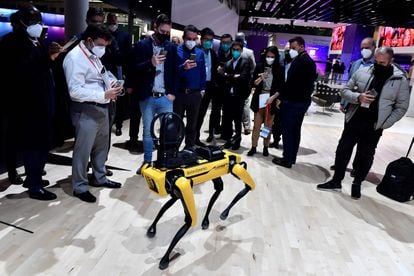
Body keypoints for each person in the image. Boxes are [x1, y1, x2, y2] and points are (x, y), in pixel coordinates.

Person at [317, 47, 410, 199]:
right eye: (376, 61)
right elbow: (344, 91)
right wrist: (358, 97)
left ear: (391, 61)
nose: (379, 65)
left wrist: (384, 124)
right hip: (354, 119)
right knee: (343, 150)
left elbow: (401, 107)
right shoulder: (362, 72)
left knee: (365, 156)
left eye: (383, 62)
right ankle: (336, 181)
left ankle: (357, 184)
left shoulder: (400, 80)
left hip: (374, 125)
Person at [0, 5, 64, 200]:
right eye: (33, 21)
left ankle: (33, 177)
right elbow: (20, 74)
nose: (38, 25)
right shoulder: (11, 43)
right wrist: (47, 60)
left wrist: (50, 58)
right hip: (26, 104)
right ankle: (34, 185)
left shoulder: (35, 41)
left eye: (38, 20)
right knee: (34, 144)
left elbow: (41, 68)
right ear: (21, 23)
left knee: (41, 142)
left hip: (41, 101)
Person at [63, 25, 123, 203]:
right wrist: (103, 95)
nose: (103, 48)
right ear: (89, 41)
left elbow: (102, 75)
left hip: (102, 106)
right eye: (100, 44)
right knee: (83, 151)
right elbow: (74, 91)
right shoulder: (75, 58)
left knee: (101, 147)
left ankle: (99, 177)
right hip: (86, 109)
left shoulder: (93, 55)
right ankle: (79, 186)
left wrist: (112, 83)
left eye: (105, 45)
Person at [127, 14, 178, 174]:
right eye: (162, 31)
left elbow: (175, 71)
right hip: (148, 96)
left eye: (167, 32)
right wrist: (150, 63)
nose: (164, 34)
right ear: (155, 27)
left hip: (165, 97)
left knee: (168, 131)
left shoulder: (171, 47)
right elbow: (134, 69)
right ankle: (147, 162)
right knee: (147, 131)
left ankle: (165, 160)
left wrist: (173, 93)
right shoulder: (142, 45)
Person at [332, 38, 377, 175]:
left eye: (367, 47)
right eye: (362, 47)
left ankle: (357, 168)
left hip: (369, 111)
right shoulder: (356, 64)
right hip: (352, 107)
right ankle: (340, 165)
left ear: (374, 48)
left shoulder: (378, 65)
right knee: (346, 140)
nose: (364, 50)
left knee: (363, 143)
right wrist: (343, 103)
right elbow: (349, 86)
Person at [272, 36, 317, 168]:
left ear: (301, 46)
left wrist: (282, 98)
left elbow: (292, 84)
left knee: (288, 131)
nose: (291, 50)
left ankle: (287, 158)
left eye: (293, 48)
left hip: (293, 102)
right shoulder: (307, 61)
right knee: (295, 131)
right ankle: (291, 157)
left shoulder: (301, 61)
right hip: (301, 101)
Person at [247, 46, 284, 156]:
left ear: (276, 57)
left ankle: (265, 147)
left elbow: (281, 87)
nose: (270, 58)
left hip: (271, 99)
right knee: (257, 125)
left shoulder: (279, 68)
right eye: (268, 56)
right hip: (260, 97)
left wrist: (273, 97)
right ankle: (254, 147)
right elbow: (253, 83)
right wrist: (260, 78)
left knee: (267, 126)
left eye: (272, 57)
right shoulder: (259, 66)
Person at [175, 25, 206, 150]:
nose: (191, 41)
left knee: (192, 124)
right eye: (189, 38)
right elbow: (172, 73)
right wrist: (183, 67)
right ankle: (174, 148)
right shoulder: (176, 51)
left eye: (194, 39)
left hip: (195, 94)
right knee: (177, 124)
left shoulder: (200, 53)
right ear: (183, 37)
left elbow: (203, 72)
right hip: (179, 94)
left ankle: (189, 148)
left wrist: (202, 89)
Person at [102, 13, 133, 137]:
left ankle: (119, 125)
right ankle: (107, 124)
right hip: (105, 69)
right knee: (106, 98)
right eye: (109, 22)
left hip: (119, 69)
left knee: (119, 99)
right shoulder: (103, 34)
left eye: (113, 22)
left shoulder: (124, 35)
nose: (111, 24)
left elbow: (128, 55)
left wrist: (126, 72)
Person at [219, 40, 251, 150]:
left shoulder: (246, 62)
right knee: (227, 119)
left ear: (241, 50)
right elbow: (222, 77)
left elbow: (243, 78)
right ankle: (229, 139)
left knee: (237, 120)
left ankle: (237, 139)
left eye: (238, 50)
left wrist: (228, 76)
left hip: (239, 96)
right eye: (234, 49)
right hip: (228, 96)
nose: (235, 51)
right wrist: (233, 76)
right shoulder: (228, 63)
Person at [195, 27, 219, 146]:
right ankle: (191, 138)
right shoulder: (195, 51)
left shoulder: (213, 53)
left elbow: (214, 70)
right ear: (201, 39)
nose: (208, 42)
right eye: (206, 39)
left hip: (209, 86)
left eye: (211, 40)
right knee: (195, 114)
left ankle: (196, 138)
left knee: (202, 113)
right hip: (197, 87)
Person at [235, 32, 256, 136]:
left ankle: (235, 126)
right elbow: (253, 68)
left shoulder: (233, 50)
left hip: (234, 82)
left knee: (235, 104)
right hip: (244, 83)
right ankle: (246, 127)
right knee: (245, 105)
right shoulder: (249, 52)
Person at [215, 34, 234, 140]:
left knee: (227, 112)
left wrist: (225, 73)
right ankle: (214, 131)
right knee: (215, 111)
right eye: (223, 42)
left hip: (229, 87)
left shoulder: (234, 55)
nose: (225, 45)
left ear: (231, 43)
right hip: (218, 87)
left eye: (228, 42)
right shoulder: (217, 54)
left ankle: (226, 134)